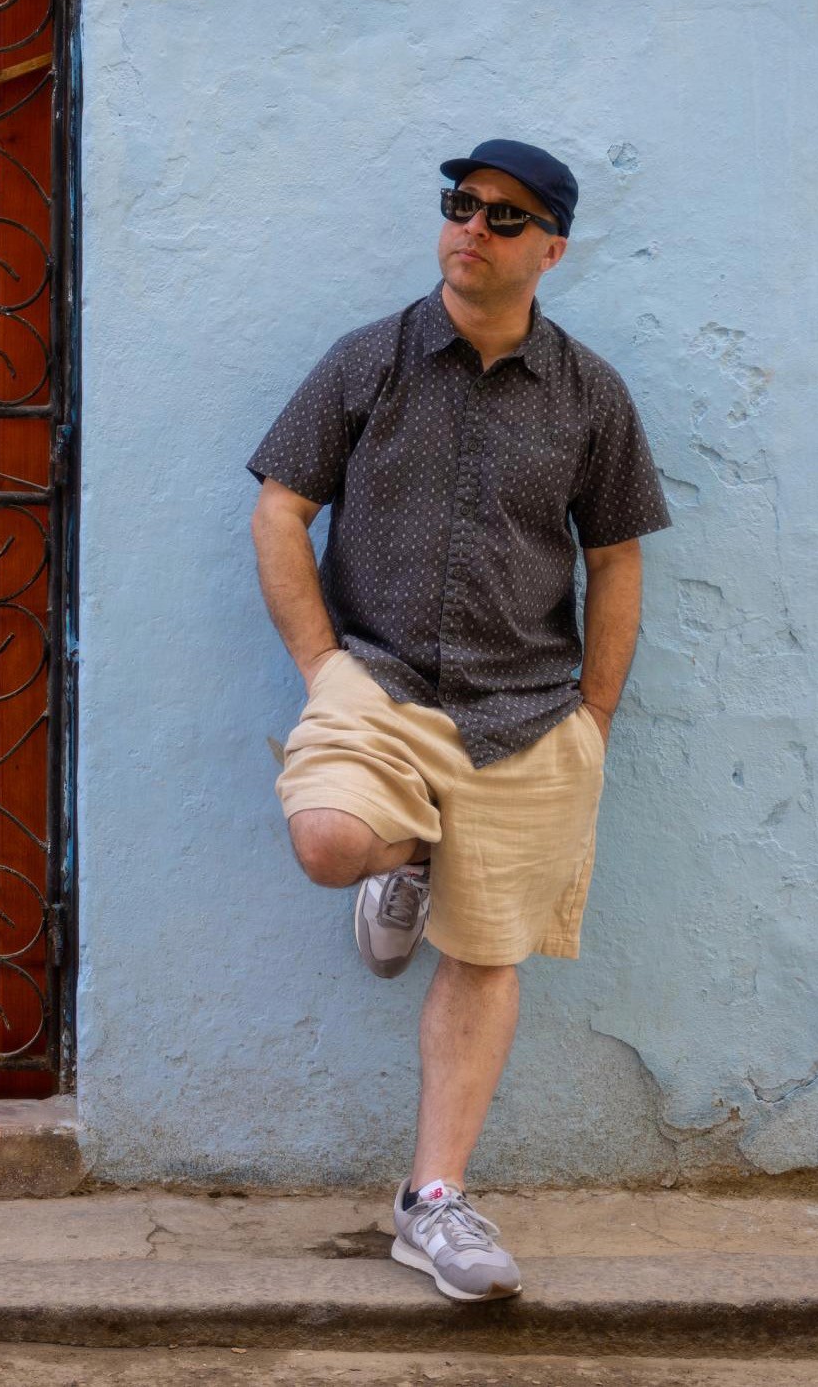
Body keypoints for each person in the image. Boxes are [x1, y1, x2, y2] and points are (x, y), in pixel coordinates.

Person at [246, 138, 670, 1303]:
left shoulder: (591, 395)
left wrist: (593, 710)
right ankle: (405, 855)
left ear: (551, 249)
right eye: (461, 203)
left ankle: (430, 1201)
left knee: (487, 954)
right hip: (379, 686)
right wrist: (323, 666)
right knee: (330, 839)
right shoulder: (367, 362)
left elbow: (618, 553)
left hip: (528, 713)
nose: (472, 226)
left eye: (504, 214)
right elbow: (281, 509)